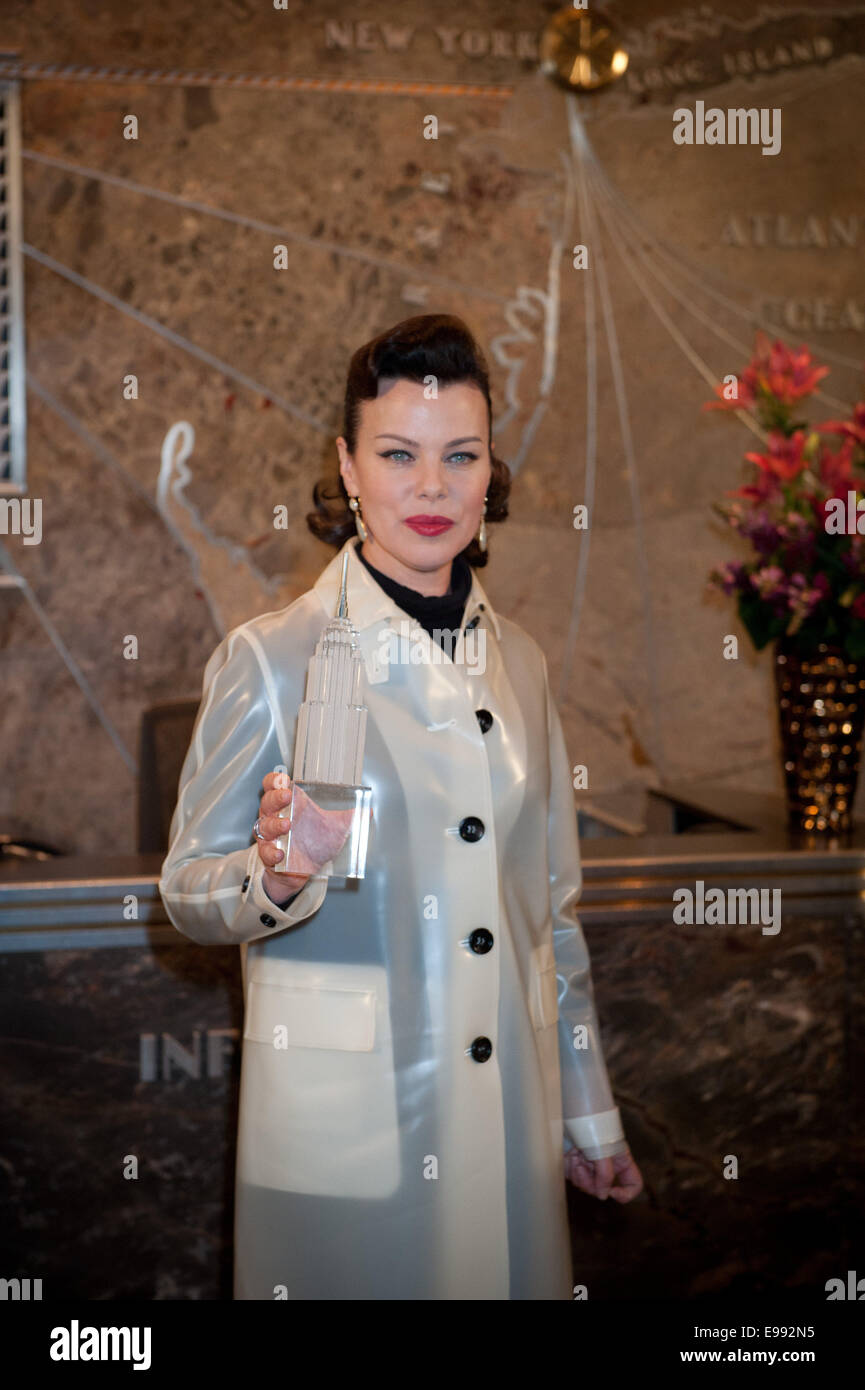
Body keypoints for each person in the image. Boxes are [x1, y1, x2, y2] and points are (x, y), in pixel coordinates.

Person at [159, 313, 643, 1301]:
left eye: (460, 455)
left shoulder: (522, 664)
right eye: (398, 454)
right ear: (346, 465)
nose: (432, 487)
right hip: (349, 1133)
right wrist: (277, 875)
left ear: (489, 470)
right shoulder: (272, 657)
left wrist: (584, 1116)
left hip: (507, 1116)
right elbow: (185, 890)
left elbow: (548, 916)